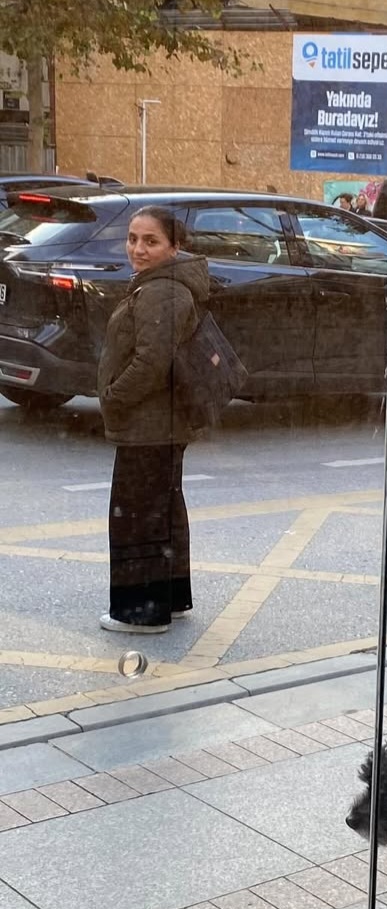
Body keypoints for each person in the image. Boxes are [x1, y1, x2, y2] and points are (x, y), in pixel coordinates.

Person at [97, 206, 209, 634]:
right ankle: (172, 598)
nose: (137, 249)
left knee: (137, 516)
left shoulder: (164, 291)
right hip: (161, 422)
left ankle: (141, 613)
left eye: (150, 241)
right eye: (132, 238)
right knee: (162, 509)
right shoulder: (160, 285)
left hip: (149, 424)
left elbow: (150, 362)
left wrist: (113, 397)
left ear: (174, 247)